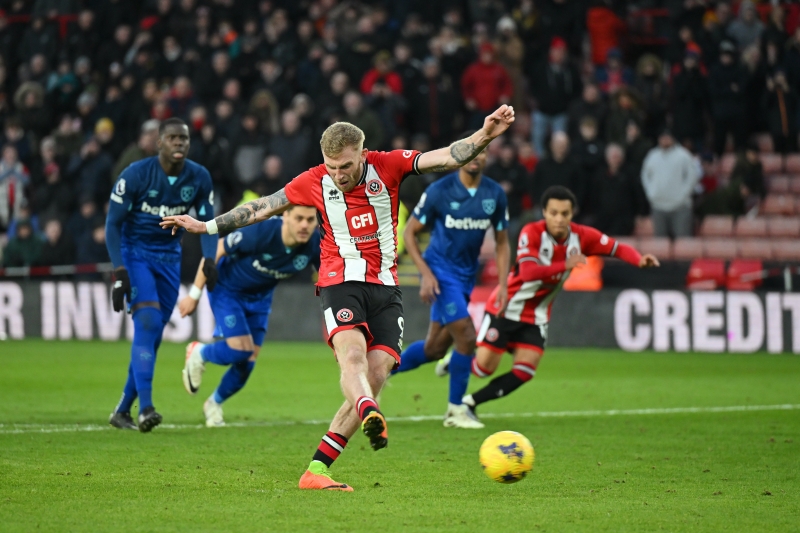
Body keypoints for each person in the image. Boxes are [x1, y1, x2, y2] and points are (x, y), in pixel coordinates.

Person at [161, 104, 516, 491]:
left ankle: (317, 470)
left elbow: (448, 155)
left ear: (363, 154)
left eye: (345, 166)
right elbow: (261, 207)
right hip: (339, 281)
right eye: (331, 167)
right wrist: (206, 225)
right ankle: (367, 409)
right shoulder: (314, 180)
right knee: (353, 359)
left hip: (386, 288)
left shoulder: (389, 164)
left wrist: (485, 135)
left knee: (377, 374)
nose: (337, 174)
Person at [461, 186, 659, 419]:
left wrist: (638, 259)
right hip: (507, 306)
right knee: (483, 369)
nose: (559, 219)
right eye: (553, 212)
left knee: (525, 370)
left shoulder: (582, 236)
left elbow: (615, 248)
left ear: (571, 214)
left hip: (537, 314)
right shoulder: (531, 232)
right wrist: (564, 265)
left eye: (564, 214)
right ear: (544, 212)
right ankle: (457, 358)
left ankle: (470, 404)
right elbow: (528, 273)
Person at [391, 131, 510, 429]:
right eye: (470, 151)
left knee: (434, 349)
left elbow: (502, 242)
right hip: (441, 274)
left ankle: (378, 371)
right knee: (467, 337)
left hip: (466, 277)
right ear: (459, 155)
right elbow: (409, 233)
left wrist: (505, 285)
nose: (475, 156)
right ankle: (456, 411)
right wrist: (426, 274)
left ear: (486, 156)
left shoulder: (494, 194)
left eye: (481, 151)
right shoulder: (439, 191)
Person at [105, 117, 217, 433]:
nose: (179, 143)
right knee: (150, 323)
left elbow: (209, 222)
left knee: (151, 333)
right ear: (159, 143)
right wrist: (119, 270)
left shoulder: (199, 177)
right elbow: (112, 224)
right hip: (135, 253)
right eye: (172, 138)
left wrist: (209, 259)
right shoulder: (135, 175)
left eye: (183, 138)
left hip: (169, 260)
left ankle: (123, 411)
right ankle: (147, 408)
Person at [178, 206, 320, 427]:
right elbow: (216, 249)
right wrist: (194, 294)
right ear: (286, 217)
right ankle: (199, 352)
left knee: (247, 363)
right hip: (227, 289)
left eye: (310, 220)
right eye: (299, 218)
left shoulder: (314, 244)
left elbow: (329, 277)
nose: (304, 225)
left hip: (261, 298)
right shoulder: (262, 232)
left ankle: (214, 403)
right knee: (240, 349)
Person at [641, 129, 699, 238]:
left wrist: (683, 195)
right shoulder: (652, 156)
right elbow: (645, 176)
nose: (665, 140)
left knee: (683, 242)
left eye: (667, 138)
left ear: (673, 139)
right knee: (660, 244)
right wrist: (651, 193)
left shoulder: (683, 155)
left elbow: (692, 176)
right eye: (663, 138)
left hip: (680, 206)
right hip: (658, 205)